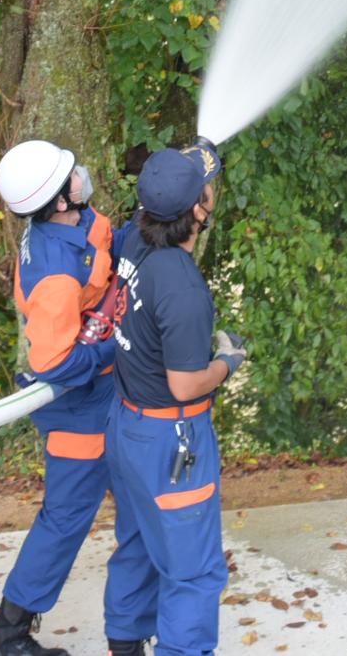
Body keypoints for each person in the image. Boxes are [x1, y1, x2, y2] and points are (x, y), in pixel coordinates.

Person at [102, 138, 248, 656]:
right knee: (193, 573)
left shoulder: (134, 241)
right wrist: (227, 361)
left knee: (139, 542)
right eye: (206, 187)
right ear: (198, 211)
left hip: (126, 429)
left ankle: (124, 643)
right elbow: (186, 384)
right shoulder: (184, 288)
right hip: (171, 441)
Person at [0, 140, 120, 656]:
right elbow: (55, 363)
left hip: (102, 396)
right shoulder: (56, 276)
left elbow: (106, 239)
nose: (81, 173)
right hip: (76, 407)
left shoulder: (71, 225)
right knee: (64, 520)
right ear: (60, 200)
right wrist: (110, 346)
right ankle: (7, 638)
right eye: (71, 175)